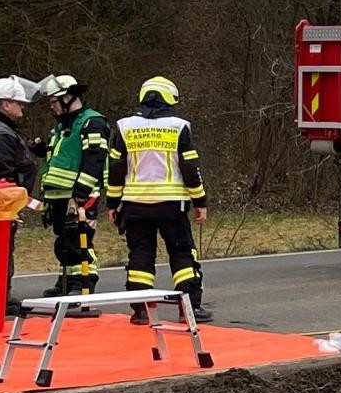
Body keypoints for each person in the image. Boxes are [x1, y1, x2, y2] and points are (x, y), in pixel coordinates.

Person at [107, 77, 211, 323]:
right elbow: (190, 167)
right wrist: (200, 202)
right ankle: (189, 309)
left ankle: (141, 311)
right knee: (182, 254)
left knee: (141, 254)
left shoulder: (125, 126)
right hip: (172, 205)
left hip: (135, 204)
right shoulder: (178, 126)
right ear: (170, 99)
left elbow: (116, 169)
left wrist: (112, 204)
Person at [33, 74, 109, 302]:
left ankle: (83, 284)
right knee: (64, 242)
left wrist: (81, 193)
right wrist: (42, 150)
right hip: (59, 195)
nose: (52, 106)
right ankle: (66, 282)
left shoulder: (92, 122)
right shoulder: (62, 126)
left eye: (54, 101)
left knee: (79, 240)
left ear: (68, 97)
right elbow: (65, 156)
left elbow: (94, 159)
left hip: (78, 196)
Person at [0, 76, 39, 315]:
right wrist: (11, 206)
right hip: (1, 205)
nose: (22, 107)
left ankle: (0, 295)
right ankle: (1, 297)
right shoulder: (0, 132)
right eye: (19, 103)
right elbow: (3, 174)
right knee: (1, 250)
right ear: (5, 104)